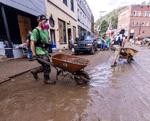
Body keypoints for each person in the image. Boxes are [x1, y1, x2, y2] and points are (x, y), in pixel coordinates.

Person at [30, 14, 56, 84]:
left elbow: (47, 39)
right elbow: (32, 43)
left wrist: (48, 43)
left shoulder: (45, 30)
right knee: (47, 65)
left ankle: (35, 71)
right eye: (44, 21)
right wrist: (34, 54)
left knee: (46, 64)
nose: (45, 22)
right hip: (39, 51)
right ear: (39, 21)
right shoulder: (35, 31)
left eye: (45, 21)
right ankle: (46, 79)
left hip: (45, 50)